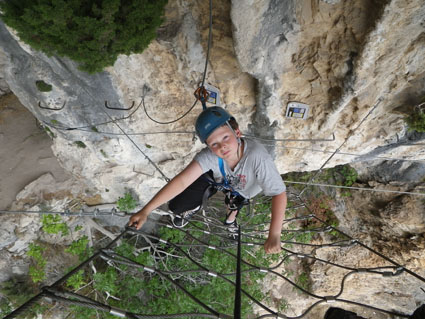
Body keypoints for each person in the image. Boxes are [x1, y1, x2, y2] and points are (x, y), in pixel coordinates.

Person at [129, 106, 287, 254]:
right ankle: (199, 207)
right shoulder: (210, 156)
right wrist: (146, 210)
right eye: (214, 144)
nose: (222, 146)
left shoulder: (258, 158)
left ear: (237, 133)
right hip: (220, 179)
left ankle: (230, 223)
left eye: (226, 137)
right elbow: (182, 181)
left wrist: (274, 234)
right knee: (176, 207)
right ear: (208, 146)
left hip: (244, 187)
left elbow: (278, 193)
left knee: (234, 203)